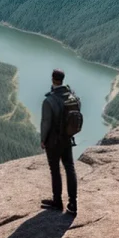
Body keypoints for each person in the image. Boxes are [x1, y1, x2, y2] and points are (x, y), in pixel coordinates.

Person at [40, 69, 78, 215]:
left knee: (55, 170)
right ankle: (73, 203)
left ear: (52, 79)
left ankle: (57, 202)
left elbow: (45, 123)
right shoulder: (72, 96)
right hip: (68, 139)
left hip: (53, 142)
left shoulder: (49, 100)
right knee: (70, 168)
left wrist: (43, 140)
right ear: (62, 80)